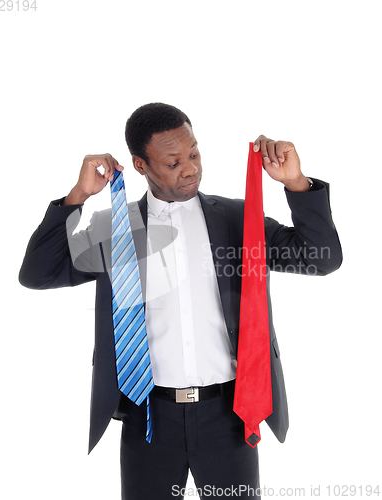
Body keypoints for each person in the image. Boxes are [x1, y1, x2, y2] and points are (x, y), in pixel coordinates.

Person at [19, 103, 342, 499]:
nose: (189, 168)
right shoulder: (116, 230)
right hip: (148, 419)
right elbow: (38, 274)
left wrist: (295, 183)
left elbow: (319, 258)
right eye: (172, 162)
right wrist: (79, 195)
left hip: (230, 415)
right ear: (141, 165)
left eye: (193, 154)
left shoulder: (239, 220)